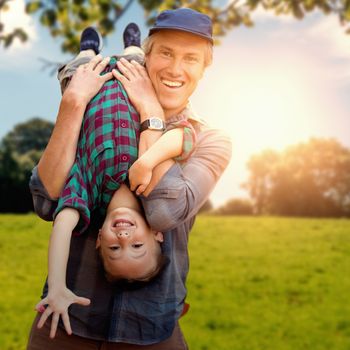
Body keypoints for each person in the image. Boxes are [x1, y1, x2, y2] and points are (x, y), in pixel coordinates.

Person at [27, 7, 232, 349]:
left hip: (151, 330)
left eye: (191, 59)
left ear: (203, 69)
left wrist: (151, 113)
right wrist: (74, 102)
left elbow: (163, 213)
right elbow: (47, 201)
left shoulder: (210, 140)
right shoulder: (97, 106)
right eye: (165, 52)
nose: (175, 68)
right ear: (146, 56)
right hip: (65, 325)